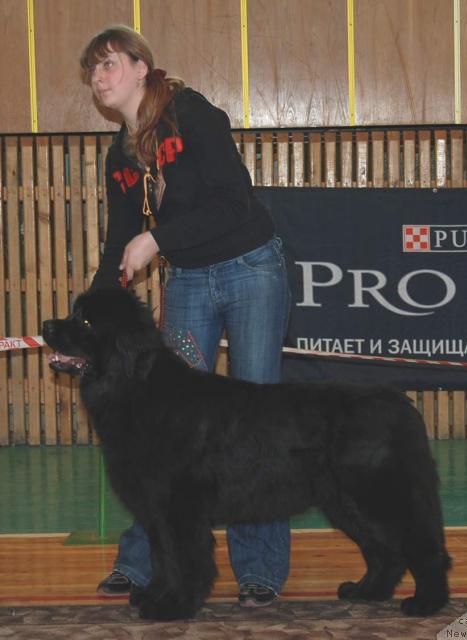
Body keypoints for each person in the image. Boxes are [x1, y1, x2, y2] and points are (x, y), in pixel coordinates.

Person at [79, 25, 291, 608]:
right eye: (92, 71)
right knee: (165, 429)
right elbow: (118, 245)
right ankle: (143, 560)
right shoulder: (118, 156)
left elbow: (234, 201)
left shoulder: (192, 114)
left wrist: (158, 239)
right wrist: (91, 319)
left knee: (256, 419)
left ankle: (260, 567)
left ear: (142, 67)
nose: (99, 78)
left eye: (109, 64)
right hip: (191, 280)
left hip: (250, 267)